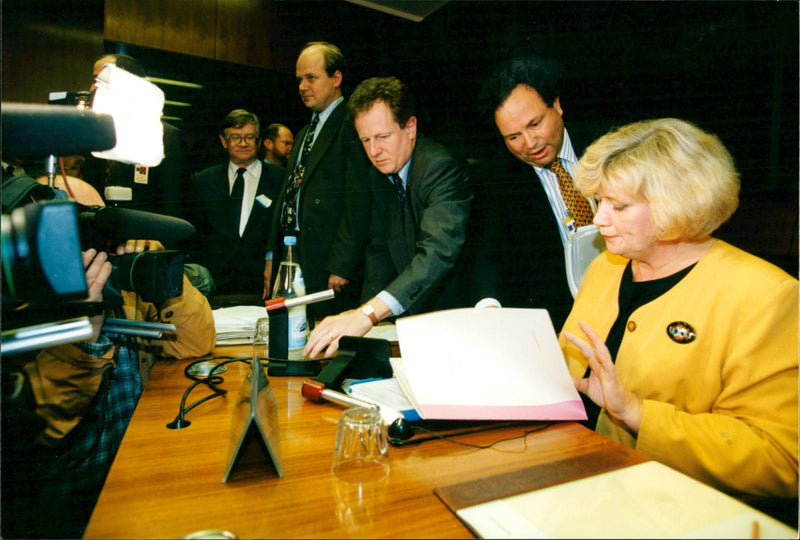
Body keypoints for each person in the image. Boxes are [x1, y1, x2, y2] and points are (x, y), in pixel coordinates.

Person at [560, 118, 798, 501]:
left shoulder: (766, 296)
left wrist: (638, 414)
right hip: (570, 480)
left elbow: (782, 459)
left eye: (619, 205)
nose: (600, 219)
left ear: (677, 206)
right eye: (599, 201)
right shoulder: (605, 267)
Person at [1, 180, 215, 538]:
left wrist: (162, 273)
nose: (98, 243)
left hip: (129, 469)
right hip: (62, 492)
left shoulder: (123, 281)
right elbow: (50, 426)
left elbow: (195, 344)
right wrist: (81, 326)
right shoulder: (24, 307)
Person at [305, 76, 472, 358]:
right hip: (414, 320)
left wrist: (367, 314)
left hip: (459, 319)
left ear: (410, 127)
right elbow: (380, 251)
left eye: (382, 137)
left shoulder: (439, 167)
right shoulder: (380, 173)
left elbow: (436, 254)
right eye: (366, 140)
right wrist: (357, 323)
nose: (374, 151)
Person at [467, 51, 603, 328]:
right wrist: (489, 308)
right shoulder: (497, 181)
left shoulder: (608, 143)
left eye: (535, 124)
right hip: (562, 319)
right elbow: (487, 256)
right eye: (513, 136)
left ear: (557, 105)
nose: (530, 143)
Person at [263, 42, 371, 320]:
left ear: (336, 79)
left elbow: (357, 199)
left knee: (323, 340)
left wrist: (343, 264)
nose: (302, 86)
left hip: (328, 261)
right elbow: (288, 195)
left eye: (311, 77)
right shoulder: (302, 134)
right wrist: (271, 255)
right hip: (292, 252)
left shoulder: (352, 124)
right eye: (299, 79)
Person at [188, 109, 285, 296]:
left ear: (258, 141)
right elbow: (197, 236)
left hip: (263, 285)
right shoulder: (203, 181)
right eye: (235, 137)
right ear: (224, 141)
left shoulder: (280, 180)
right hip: (215, 286)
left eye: (249, 137)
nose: (243, 143)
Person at [81, 53, 189, 219]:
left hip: (144, 233)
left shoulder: (165, 135)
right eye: (94, 81)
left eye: (100, 80)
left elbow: (171, 199)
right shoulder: (93, 132)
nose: (92, 88)